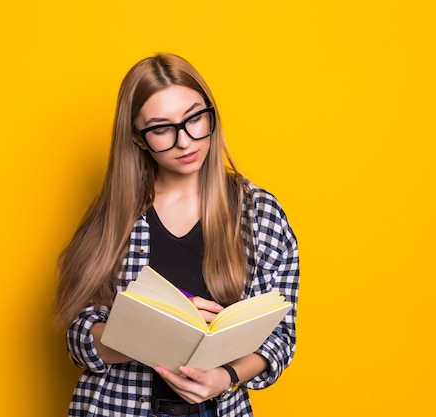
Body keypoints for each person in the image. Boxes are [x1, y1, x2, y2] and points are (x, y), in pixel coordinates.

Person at [55, 53, 299, 417]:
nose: (185, 141)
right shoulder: (114, 215)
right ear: (138, 139)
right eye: (161, 128)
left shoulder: (259, 213)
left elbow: (280, 338)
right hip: (116, 407)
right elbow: (78, 338)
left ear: (211, 114)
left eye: (195, 118)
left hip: (218, 408)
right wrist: (152, 332)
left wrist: (224, 376)